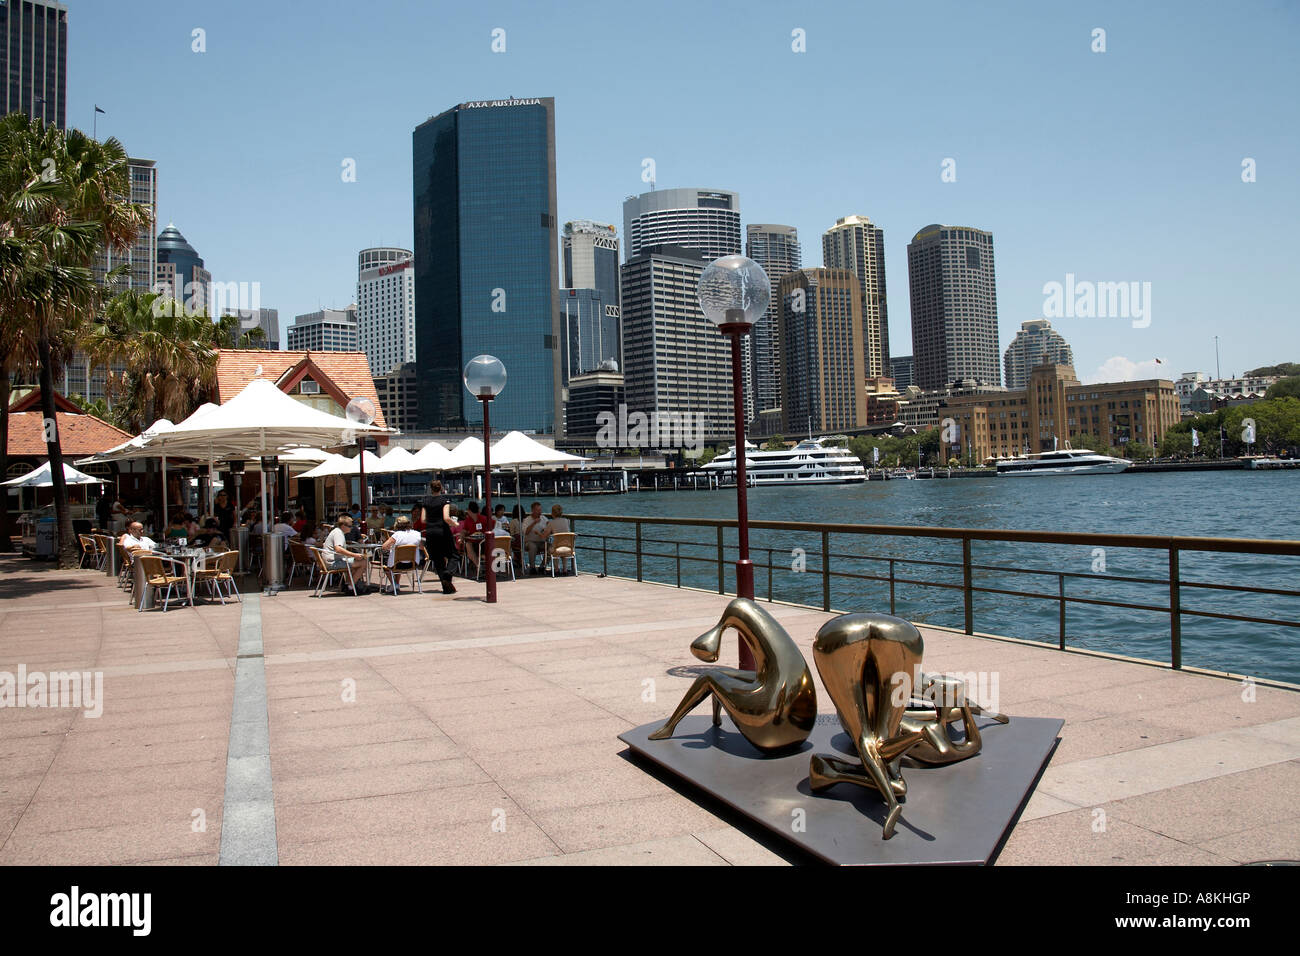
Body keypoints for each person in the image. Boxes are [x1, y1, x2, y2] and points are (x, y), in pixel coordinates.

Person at [419, 480, 459, 594]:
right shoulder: (444, 501)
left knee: (438, 559)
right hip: (443, 530)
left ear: (431, 489)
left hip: (431, 532)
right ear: (441, 488)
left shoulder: (425, 501)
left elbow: (422, 519)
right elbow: (446, 517)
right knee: (454, 555)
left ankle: (446, 587)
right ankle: (449, 572)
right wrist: (454, 524)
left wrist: (432, 521)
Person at [322, 513, 368, 592]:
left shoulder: (336, 531)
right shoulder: (338, 533)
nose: (351, 528)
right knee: (363, 562)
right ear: (343, 526)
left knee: (355, 565)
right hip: (333, 562)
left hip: (330, 561)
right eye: (349, 526)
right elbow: (338, 549)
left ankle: (348, 584)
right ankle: (350, 586)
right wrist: (354, 555)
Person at [380, 515, 424, 593]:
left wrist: (392, 548)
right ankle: (396, 584)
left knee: (385, 563)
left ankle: (394, 584)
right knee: (399, 559)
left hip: (397, 564)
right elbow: (421, 547)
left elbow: (384, 546)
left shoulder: (397, 535)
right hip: (413, 564)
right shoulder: (417, 534)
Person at [522, 501, 549, 573]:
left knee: (551, 547)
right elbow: (526, 532)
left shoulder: (544, 518)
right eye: (538, 510)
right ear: (533, 510)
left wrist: (546, 530)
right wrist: (534, 523)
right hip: (529, 542)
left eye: (540, 510)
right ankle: (532, 567)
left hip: (542, 542)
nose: (540, 512)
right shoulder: (527, 520)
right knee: (532, 546)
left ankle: (542, 566)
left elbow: (549, 530)